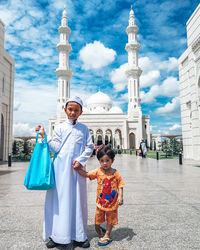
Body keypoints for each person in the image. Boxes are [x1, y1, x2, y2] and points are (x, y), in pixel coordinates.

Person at [36, 96, 94, 249]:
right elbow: (55, 147)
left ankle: (79, 236)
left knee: (77, 201)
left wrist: (80, 160)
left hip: (77, 172)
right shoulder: (60, 127)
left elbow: (89, 147)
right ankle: (57, 235)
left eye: (76, 110)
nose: (73, 112)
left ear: (81, 112)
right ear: (65, 110)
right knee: (59, 201)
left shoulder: (84, 129)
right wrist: (44, 137)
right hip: (60, 171)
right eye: (70, 109)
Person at [74, 146, 125, 246]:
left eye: (107, 160)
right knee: (97, 222)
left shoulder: (116, 173)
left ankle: (107, 235)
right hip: (100, 203)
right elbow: (87, 174)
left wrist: (121, 196)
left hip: (112, 204)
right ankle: (99, 228)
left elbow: (120, 185)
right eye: (102, 161)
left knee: (110, 220)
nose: (104, 163)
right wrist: (77, 169)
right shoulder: (98, 171)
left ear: (112, 160)